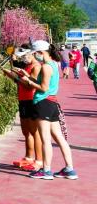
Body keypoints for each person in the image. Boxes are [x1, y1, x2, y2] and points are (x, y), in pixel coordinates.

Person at [16, 41, 78, 180]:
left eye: (34, 53)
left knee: (45, 139)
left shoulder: (45, 67)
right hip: (52, 103)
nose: (34, 55)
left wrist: (28, 80)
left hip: (43, 103)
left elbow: (43, 88)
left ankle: (46, 170)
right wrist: (29, 78)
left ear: (40, 53)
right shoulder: (54, 65)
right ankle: (69, 169)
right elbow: (47, 85)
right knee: (59, 137)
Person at [2, 47, 43, 171]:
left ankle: (39, 160)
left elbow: (30, 86)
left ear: (32, 54)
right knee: (26, 131)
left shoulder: (36, 66)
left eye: (25, 55)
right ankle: (28, 157)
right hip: (23, 100)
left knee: (34, 131)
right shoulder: (27, 66)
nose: (23, 58)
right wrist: (13, 75)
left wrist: (14, 77)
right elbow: (22, 82)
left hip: (31, 100)